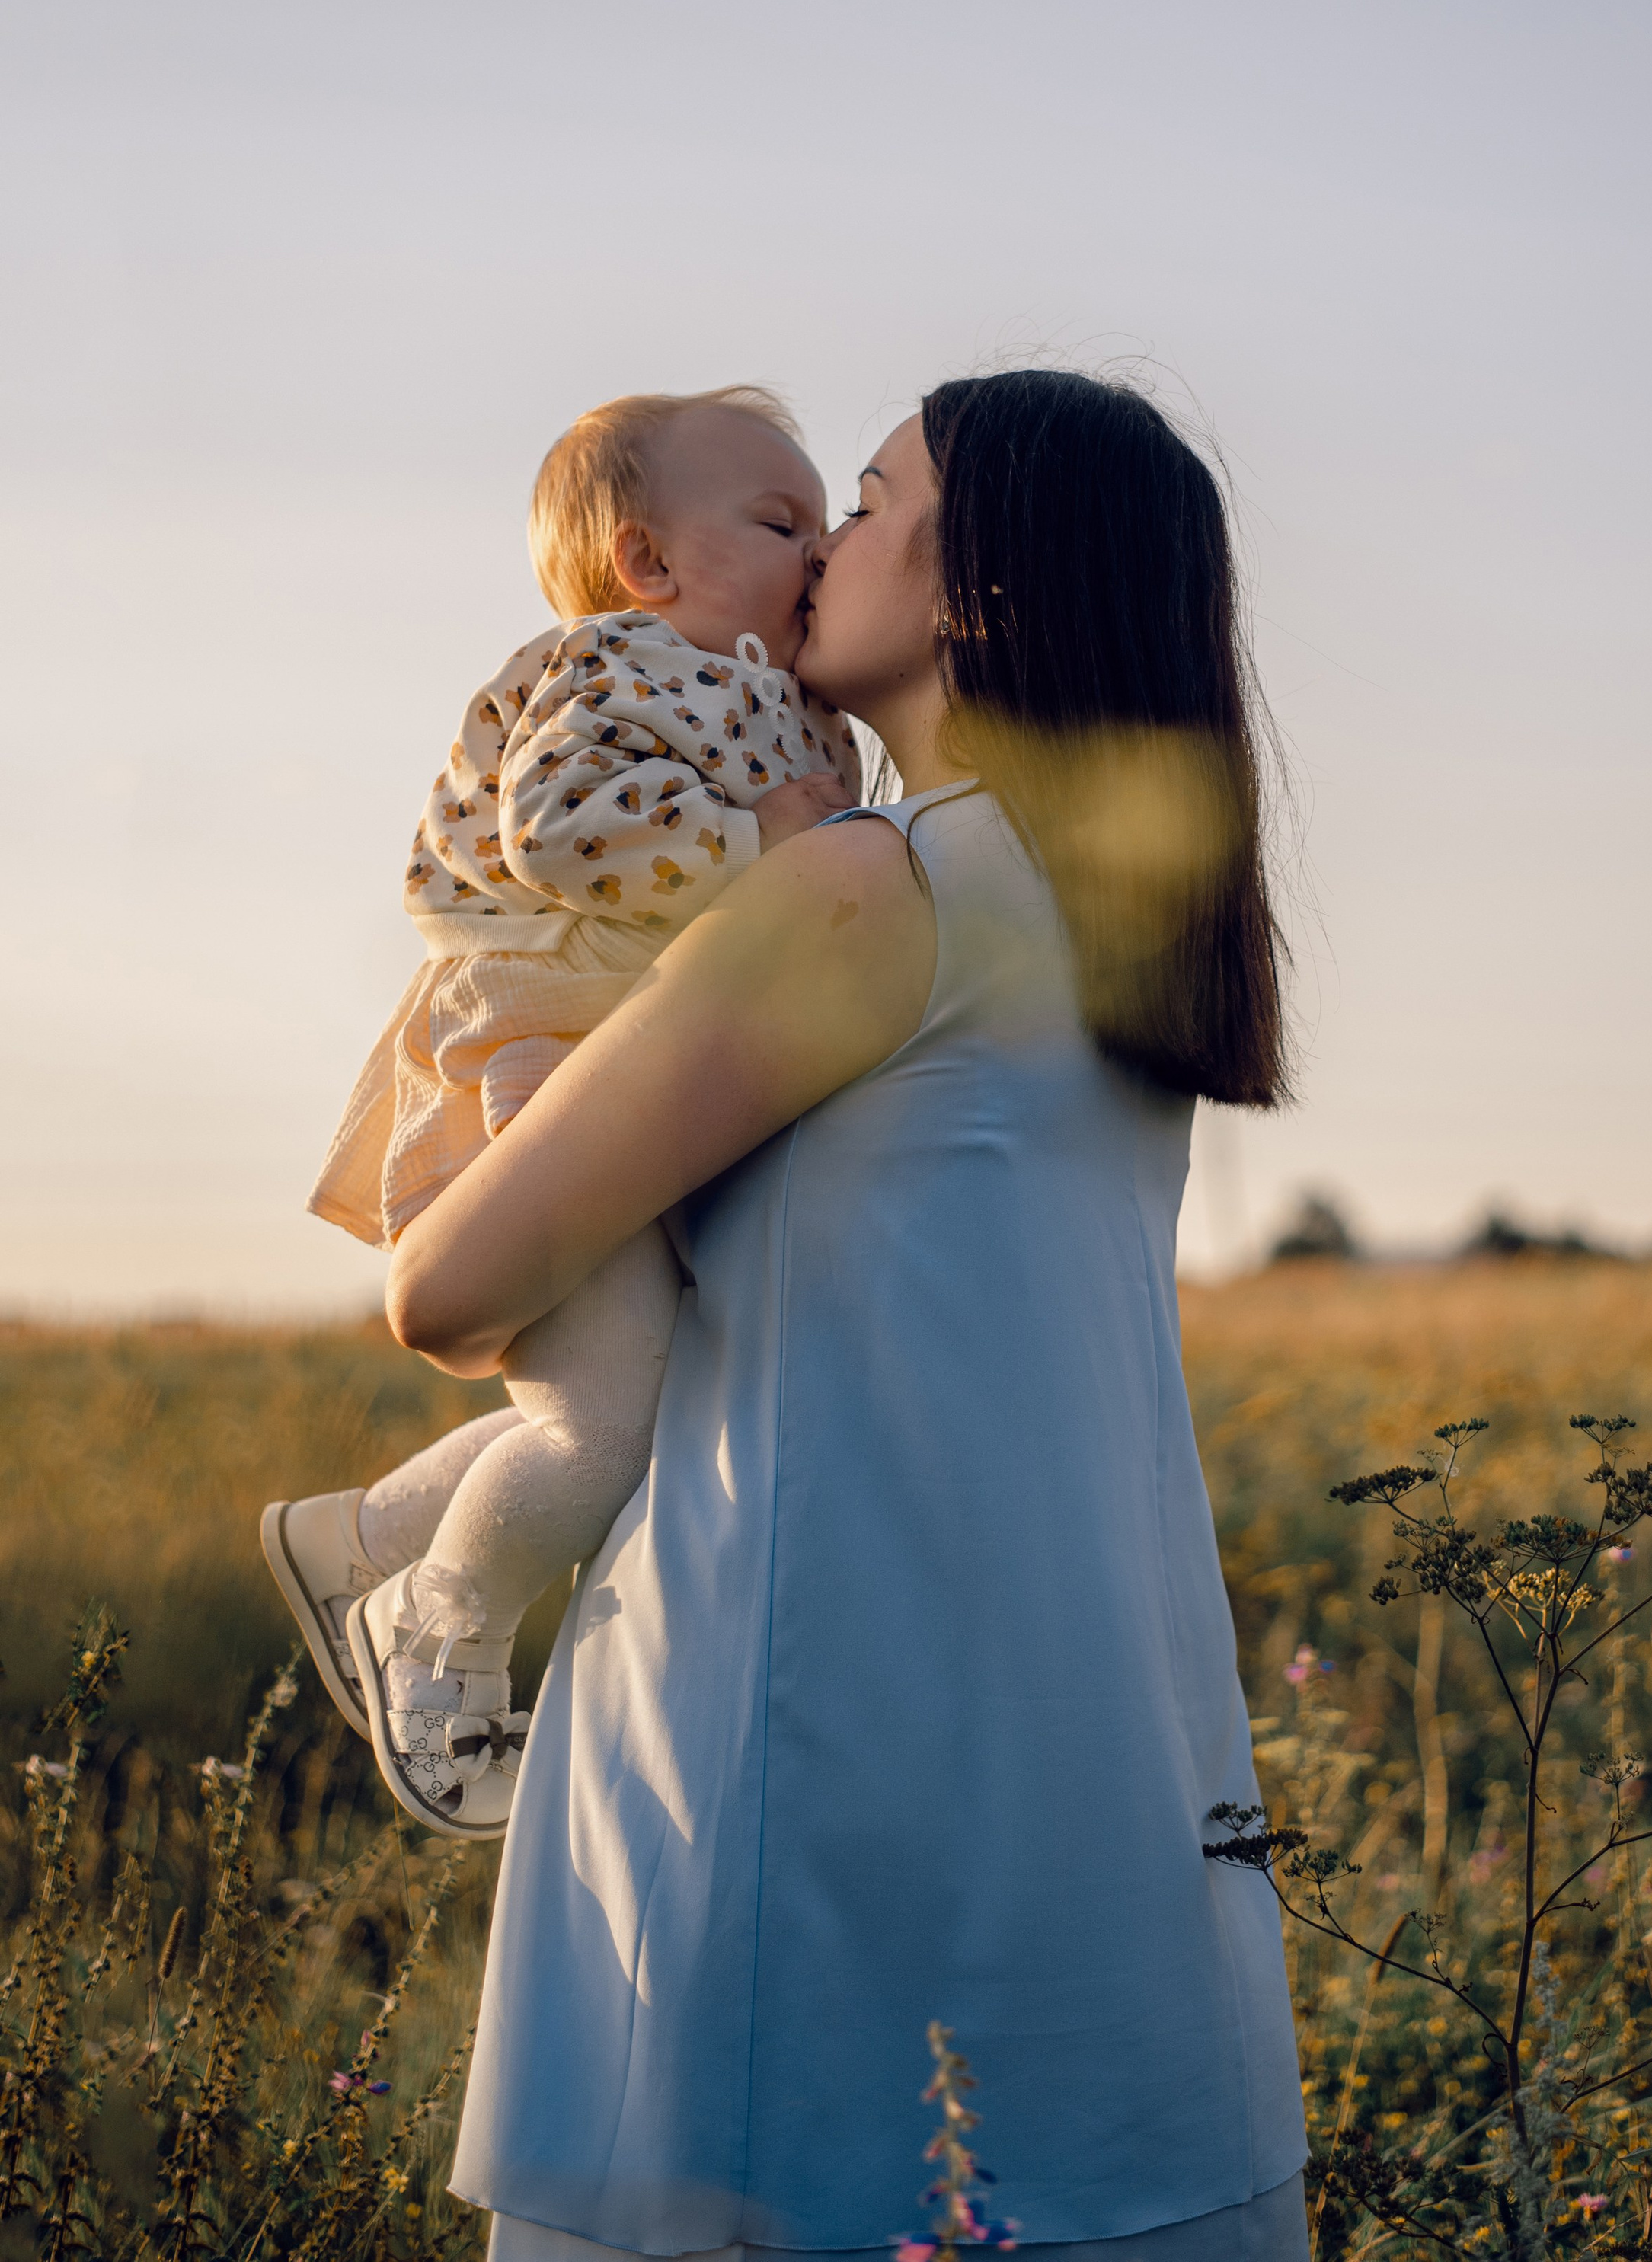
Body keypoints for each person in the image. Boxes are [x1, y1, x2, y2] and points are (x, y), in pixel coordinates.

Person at [387, 370, 1312, 2260]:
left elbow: (450, 1286)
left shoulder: (855, 886)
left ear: (978, 590)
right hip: (1097, 1743)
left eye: (869, 503)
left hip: (782, 1734)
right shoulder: (1124, 924)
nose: (817, 550)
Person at [264, 388, 858, 1835]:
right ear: (650, 563)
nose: (823, 548)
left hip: (625, 1050)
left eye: (832, 519)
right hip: (537, 1043)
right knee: (605, 1424)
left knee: (626, 1399)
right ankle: (437, 1637)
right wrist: (761, 846)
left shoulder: (769, 695)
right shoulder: (626, 658)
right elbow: (563, 826)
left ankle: (363, 1538)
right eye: (784, 522)